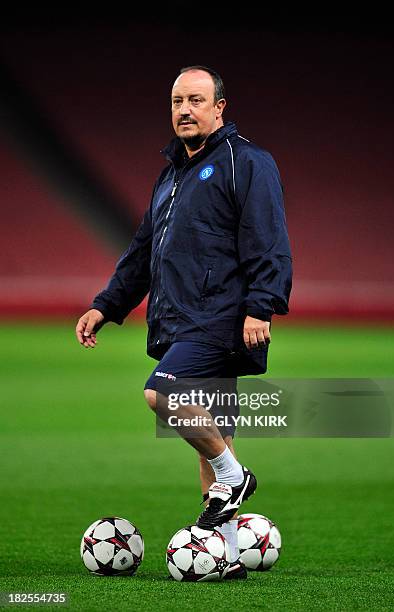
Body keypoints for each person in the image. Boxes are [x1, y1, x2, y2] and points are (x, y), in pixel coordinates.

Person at [75, 66, 292, 579]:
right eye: (176, 101)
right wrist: (107, 304)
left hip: (222, 316)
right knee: (214, 433)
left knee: (163, 394)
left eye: (196, 100)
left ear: (220, 107)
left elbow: (270, 238)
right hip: (179, 316)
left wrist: (262, 303)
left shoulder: (248, 162)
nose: (184, 110)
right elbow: (144, 250)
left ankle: (234, 476)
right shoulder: (171, 173)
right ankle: (229, 554)